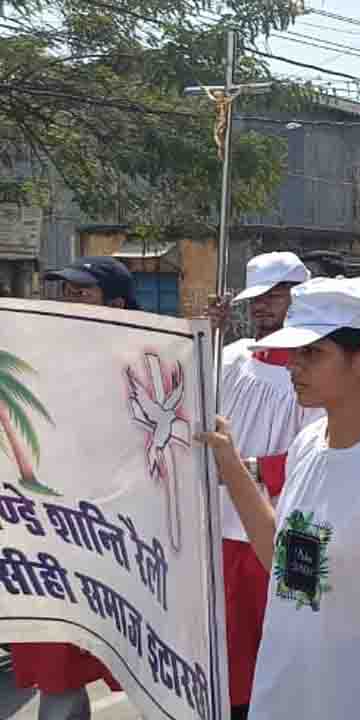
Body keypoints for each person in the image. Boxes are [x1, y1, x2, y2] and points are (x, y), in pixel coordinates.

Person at [199, 277, 360, 720]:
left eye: (312, 353)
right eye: (294, 353)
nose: (292, 366)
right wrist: (230, 465)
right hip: (289, 693)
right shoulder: (308, 443)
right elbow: (285, 562)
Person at [9, 257, 138, 720]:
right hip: (47, 536)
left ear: (117, 304)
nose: (68, 301)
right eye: (66, 291)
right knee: (55, 672)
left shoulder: (142, 365)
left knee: (139, 670)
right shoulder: (39, 356)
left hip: (110, 540)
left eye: (82, 293)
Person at [206, 251, 323, 719]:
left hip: (286, 527)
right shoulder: (230, 358)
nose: (262, 307)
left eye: (275, 296)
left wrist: (247, 468)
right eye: (256, 298)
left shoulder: (317, 368)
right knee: (232, 651)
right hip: (224, 528)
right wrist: (204, 336)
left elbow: (320, 453)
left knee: (288, 648)